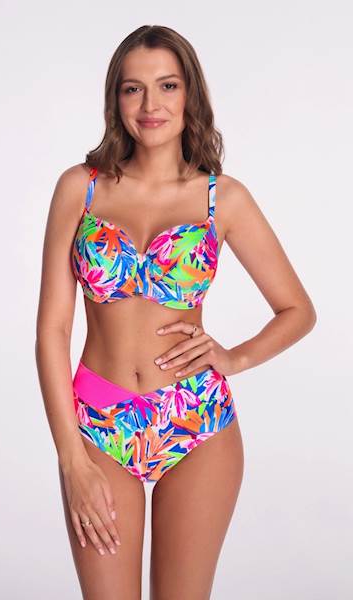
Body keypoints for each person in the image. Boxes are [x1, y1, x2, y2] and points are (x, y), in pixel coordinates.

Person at [35, 24, 316, 600]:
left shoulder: (222, 198)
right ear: (115, 99)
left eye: (167, 85)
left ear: (190, 94)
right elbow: (52, 331)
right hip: (98, 422)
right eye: (133, 89)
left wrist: (234, 358)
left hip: (198, 422)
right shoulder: (79, 189)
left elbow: (297, 309)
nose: (150, 105)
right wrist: (71, 459)